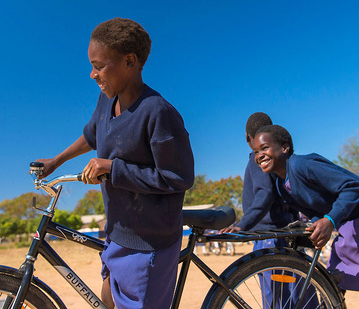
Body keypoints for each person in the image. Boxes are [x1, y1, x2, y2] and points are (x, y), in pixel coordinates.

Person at [35, 17, 195, 309]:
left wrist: (112, 168)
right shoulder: (105, 102)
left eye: (99, 66)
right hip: (117, 233)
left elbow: (178, 178)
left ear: (130, 61)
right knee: (108, 302)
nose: (93, 74)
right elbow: (92, 135)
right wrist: (56, 161)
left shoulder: (157, 113)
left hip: (148, 243)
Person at [252, 124, 359, 309]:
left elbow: (353, 188)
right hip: (348, 220)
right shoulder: (283, 188)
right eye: (256, 151)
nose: (259, 155)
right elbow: (315, 213)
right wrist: (315, 225)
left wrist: (330, 220)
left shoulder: (302, 165)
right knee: (333, 283)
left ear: (284, 148)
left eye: (264, 148)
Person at [221, 112, 299, 308]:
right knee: (290, 296)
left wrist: (243, 225)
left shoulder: (257, 159)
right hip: (286, 234)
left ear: (247, 138)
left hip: (269, 237)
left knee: (275, 299)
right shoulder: (281, 157)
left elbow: (264, 195)